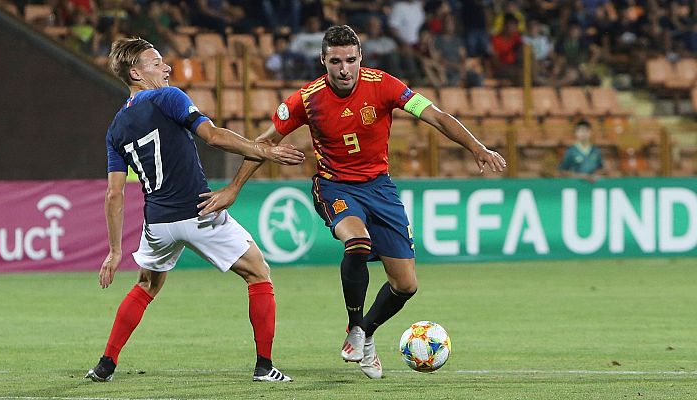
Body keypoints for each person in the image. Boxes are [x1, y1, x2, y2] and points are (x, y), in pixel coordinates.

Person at [193, 25, 507, 379]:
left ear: (361, 58)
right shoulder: (305, 99)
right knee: (357, 242)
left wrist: (476, 147)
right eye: (336, 61)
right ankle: (355, 327)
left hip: (381, 189)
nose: (344, 69)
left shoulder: (385, 84)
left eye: (351, 60)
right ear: (323, 61)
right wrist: (234, 188)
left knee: (406, 285)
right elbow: (262, 144)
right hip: (335, 187)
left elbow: (435, 116)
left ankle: (367, 333)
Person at [84, 37, 305, 383]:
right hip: (199, 210)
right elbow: (213, 136)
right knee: (258, 273)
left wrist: (114, 251)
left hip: (157, 223)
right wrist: (267, 151)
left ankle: (105, 365)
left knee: (146, 284)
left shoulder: (115, 129)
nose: (166, 67)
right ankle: (264, 367)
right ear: (136, 73)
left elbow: (114, 194)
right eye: (156, 63)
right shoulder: (168, 97)